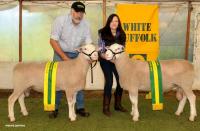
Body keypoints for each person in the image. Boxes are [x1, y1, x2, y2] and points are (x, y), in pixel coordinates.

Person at [49, 1, 91, 118]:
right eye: (77, 12)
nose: (80, 15)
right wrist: (64, 57)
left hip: (77, 55)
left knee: (79, 80)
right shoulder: (60, 21)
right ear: (72, 11)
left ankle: (80, 107)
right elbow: (53, 41)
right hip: (60, 53)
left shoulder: (86, 24)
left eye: (82, 13)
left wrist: (91, 54)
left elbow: (88, 43)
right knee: (57, 80)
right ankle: (54, 108)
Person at [98, 14, 127, 116]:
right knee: (109, 80)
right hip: (105, 60)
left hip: (117, 61)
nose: (114, 23)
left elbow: (122, 50)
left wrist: (115, 60)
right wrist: (104, 56)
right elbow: (101, 50)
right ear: (109, 22)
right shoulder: (102, 32)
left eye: (116, 21)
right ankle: (106, 107)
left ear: (118, 23)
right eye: (112, 21)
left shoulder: (122, 34)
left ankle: (117, 105)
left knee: (121, 80)